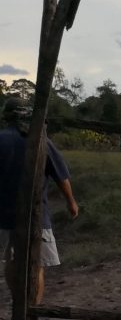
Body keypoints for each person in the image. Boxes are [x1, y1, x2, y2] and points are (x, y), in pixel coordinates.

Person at [0, 97, 80, 305]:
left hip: (6, 216)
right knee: (37, 265)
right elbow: (61, 176)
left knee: (11, 261)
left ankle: (20, 305)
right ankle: (31, 313)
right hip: (37, 215)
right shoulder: (41, 140)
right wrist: (71, 202)